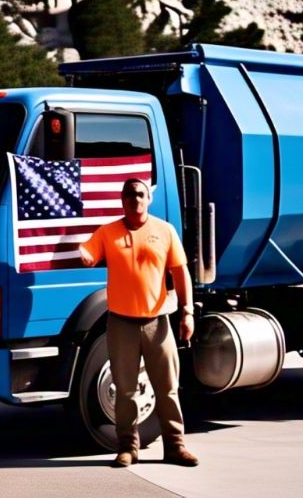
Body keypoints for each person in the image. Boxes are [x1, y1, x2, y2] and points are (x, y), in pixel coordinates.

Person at [80, 178, 198, 469]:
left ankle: (175, 446)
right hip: (121, 324)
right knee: (125, 389)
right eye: (130, 195)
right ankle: (127, 448)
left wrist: (187, 312)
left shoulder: (164, 231)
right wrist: (82, 253)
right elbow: (88, 254)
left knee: (168, 387)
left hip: (158, 324)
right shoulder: (108, 233)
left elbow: (180, 273)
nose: (136, 199)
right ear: (122, 200)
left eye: (141, 194)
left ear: (149, 199)